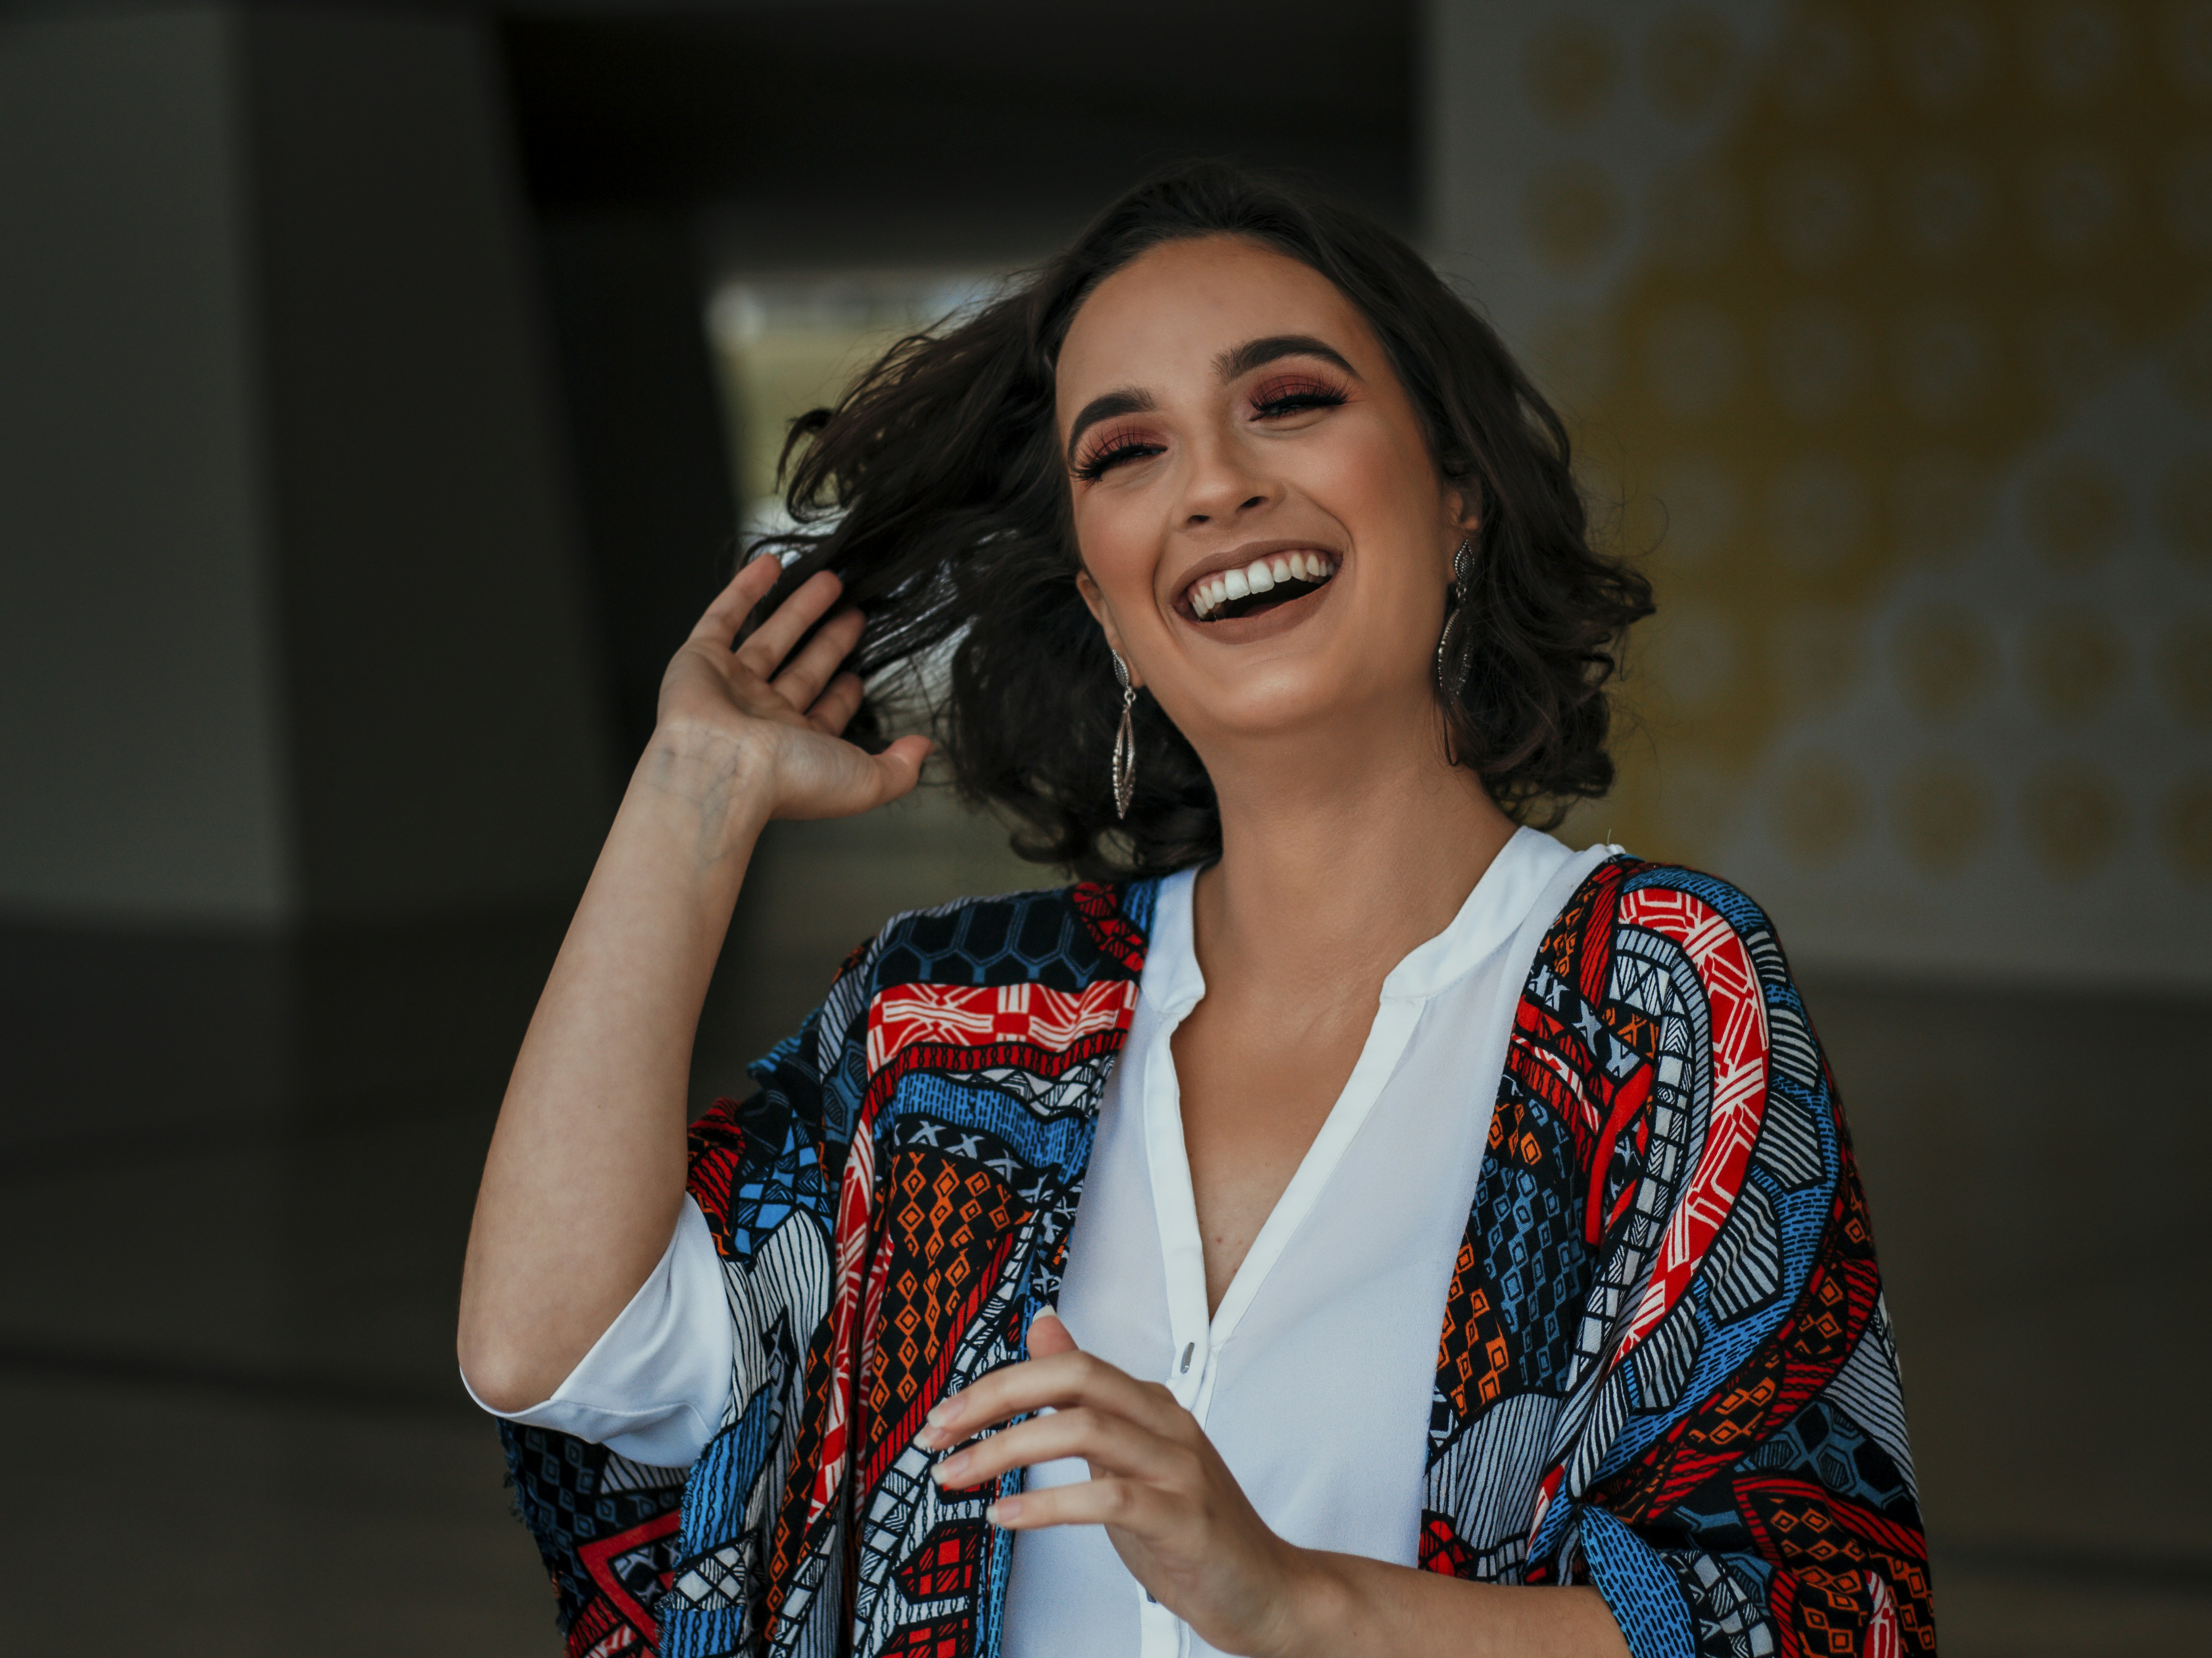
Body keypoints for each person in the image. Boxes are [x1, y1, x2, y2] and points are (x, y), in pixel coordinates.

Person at [457, 162, 1931, 1658]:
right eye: (1128, 453)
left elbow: (1816, 1617)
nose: (1217, 485)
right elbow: (551, 1351)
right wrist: (693, 795)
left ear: (1457, 491)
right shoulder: (954, 1021)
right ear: (1104, 602)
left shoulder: (1659, 996)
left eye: (1287, 401)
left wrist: (1294, 1604)